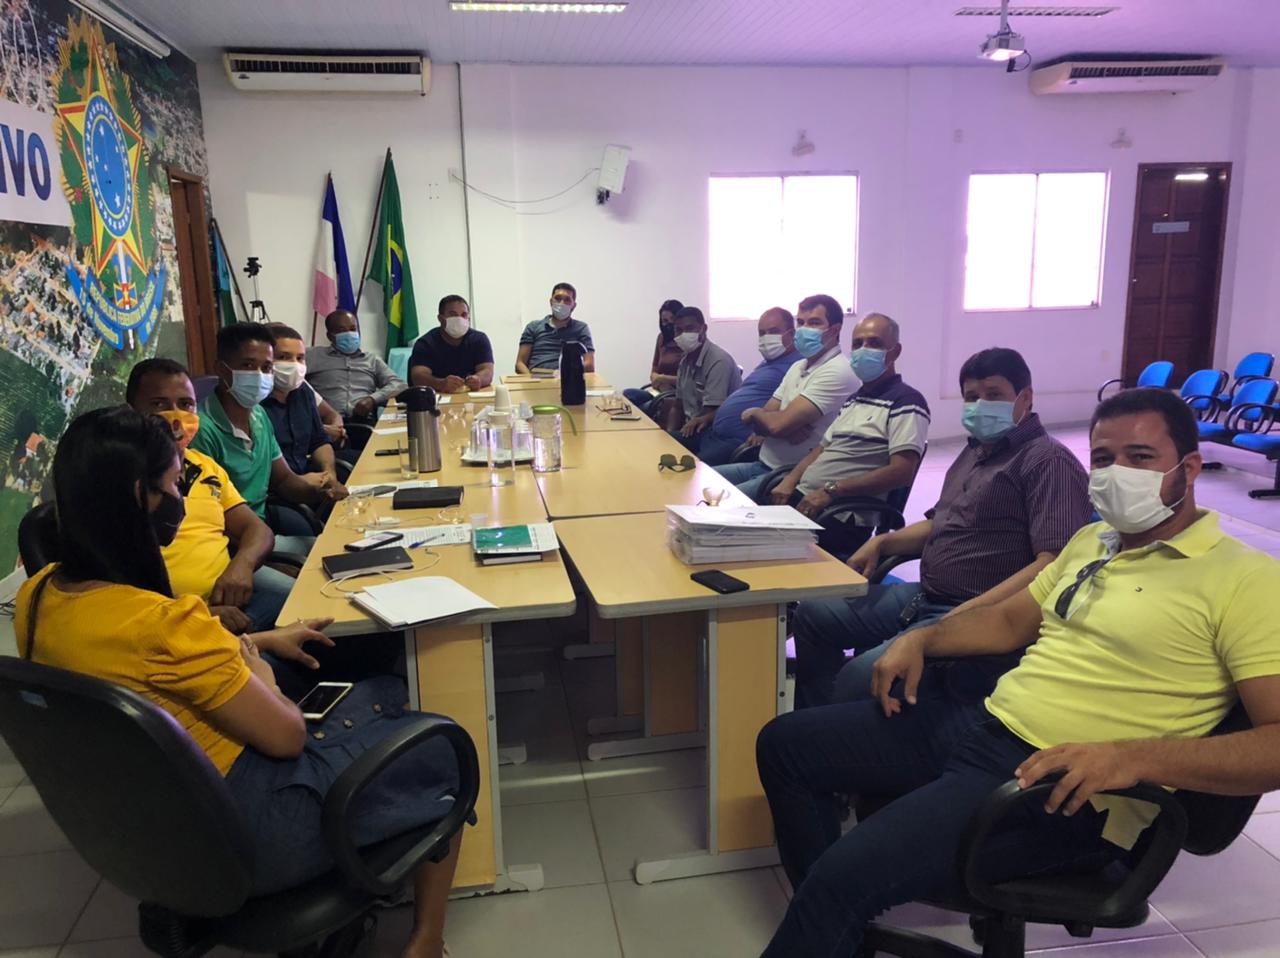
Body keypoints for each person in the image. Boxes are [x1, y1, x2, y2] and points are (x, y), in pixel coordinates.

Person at [755, 388, 1280, 957]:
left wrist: (1131, 758)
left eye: (1140, 457)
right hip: (985, 727)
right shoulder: (1093, 541)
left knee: (842, 878)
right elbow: (1009, 622)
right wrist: (922, 638)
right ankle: (834, 930)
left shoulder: (1247, 580)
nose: (1117, 473)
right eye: (1104, 459)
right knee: (785, 745)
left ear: (1190, 468)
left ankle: (832, 907)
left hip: (1066, 788)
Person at [15, 406, 463, 958]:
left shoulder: (38, 597)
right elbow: (287, 737)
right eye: (172, 483)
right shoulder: (167, 623)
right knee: (436, 733)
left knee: (382, 697)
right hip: (253, 831)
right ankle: (426, 941)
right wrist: (262, 674)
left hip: (153, 833)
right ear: (139, 496)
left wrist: (261, 641)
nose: (180, 498)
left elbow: (144, 667)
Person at [790, 347, 1092, 709]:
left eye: (994, 394)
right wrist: (883, 543)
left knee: (859, 677)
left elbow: (1054, 563)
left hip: (979, 612)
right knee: (813, 615)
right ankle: (819, 720)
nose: (980, 405)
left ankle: (843, 722)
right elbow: (939, 522)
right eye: (971, 397)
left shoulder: (1047, 462)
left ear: (1025, 397)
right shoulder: (977, 452)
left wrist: (969, 614)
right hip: (926, 596)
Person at [126, 358, 293, 633]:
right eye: (159, 404)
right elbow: (120, 590)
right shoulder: (120, 479)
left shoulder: (204, 466)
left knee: (308, 606)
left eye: (186, 404)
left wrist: (241, 566)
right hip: (174, 621)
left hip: (233, 594)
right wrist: (198, 614)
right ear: (131, 411)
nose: (176, 416)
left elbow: (257, 529)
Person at [752, 312, 928, 556]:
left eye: (874, 343)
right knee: (730, 530)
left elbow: (901, 472)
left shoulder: (907, 401)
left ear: (895, 351)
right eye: (858, 344)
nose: (863, 350)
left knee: (749, 548)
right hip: (805, 499)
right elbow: (821, 449)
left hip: (839, 514)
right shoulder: (854, 400)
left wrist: (831, 491)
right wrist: (789, 481)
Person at [191, 323, 346, 551]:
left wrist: (321, 490)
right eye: (248, 365)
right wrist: (264, 555)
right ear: (222, 370)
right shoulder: (201, 431)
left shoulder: (258, 416)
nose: (259, 376)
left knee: (339, 547)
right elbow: (210, 518)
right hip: (232, 544)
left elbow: (283, 481)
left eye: (266, 368)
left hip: (261, 531)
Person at [714, 295, 855, 482]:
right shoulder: (798, 366)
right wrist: (775, 423)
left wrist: (756, 414)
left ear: (835, 330)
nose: (804, 329)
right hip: (762, 464)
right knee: (697, 480)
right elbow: (766, 422)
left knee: (712, 497)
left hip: (789, 476)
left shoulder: (838, 370)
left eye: (814, 323)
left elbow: (775, 425)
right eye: (801, 322)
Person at [695, 307, 805, 466]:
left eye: (773, 331)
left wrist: (765, 432)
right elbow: (742, 396)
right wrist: (707, 418)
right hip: (711, 432)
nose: (766, 338)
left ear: (791, 333)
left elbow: (795, 412)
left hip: (738, 442)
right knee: (668, 442)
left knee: (689, 472)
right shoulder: (767, 362)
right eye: (762, 333)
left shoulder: (798, 366)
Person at [262, 324, 348, 486]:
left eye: (300, 358)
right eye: (283, 357)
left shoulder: (303, 391)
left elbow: (319, 442)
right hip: (276, 488)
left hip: (306, 475)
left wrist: (329, 473)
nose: (294, 365)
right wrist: (302, 484)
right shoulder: (255, 403)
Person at [305, 309, 407, 424]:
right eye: (342, 330)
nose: (349, 334)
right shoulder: (311, 356)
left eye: (353, 329)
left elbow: (399, 385)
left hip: (363, 422)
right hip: (325, 424)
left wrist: (372, 399)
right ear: (330, 336)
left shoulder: (372, 360)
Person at [665, 306, 742, 450]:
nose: (683, 334)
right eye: (679, 330)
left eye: (689, 328)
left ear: (703, 329)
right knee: (659, 442)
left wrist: (674, 440)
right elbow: (678, 406)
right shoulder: (685, 361)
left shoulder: (718, 361)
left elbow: (711, 412)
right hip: (691, 429)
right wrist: (668, 435)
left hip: (714, 432)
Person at [409, 295, 495, 393]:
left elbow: (487, 371)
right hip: (437, 397)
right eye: (453, 315)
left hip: (470, 397)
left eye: (464, 315)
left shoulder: (479, 339)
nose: (459, 319)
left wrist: (478, 379)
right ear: (440, 318)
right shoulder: (425, 343)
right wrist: (440, 383)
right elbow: (418, 376)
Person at [622, 299, 684, 420]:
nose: (669, 324)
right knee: (628, 395)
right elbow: (654, 369)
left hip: (675, 395)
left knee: (642, 409)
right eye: (665, 321)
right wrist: (656, 378)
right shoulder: (661, 338)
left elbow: (688, 381)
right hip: (658, 391)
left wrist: (662, 378)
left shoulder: (686, 343)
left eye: (673, 319)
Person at [516, 282, 596, 373]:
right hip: (536, 378)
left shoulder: (581, 328)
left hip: (568, 378)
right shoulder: (533, 327)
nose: (561, 303)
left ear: (573, 306)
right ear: (551, 302)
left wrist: (565, 374)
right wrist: (530, 379)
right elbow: (520, 363)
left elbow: (589, 365)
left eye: (567, 300)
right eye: (558, 298)